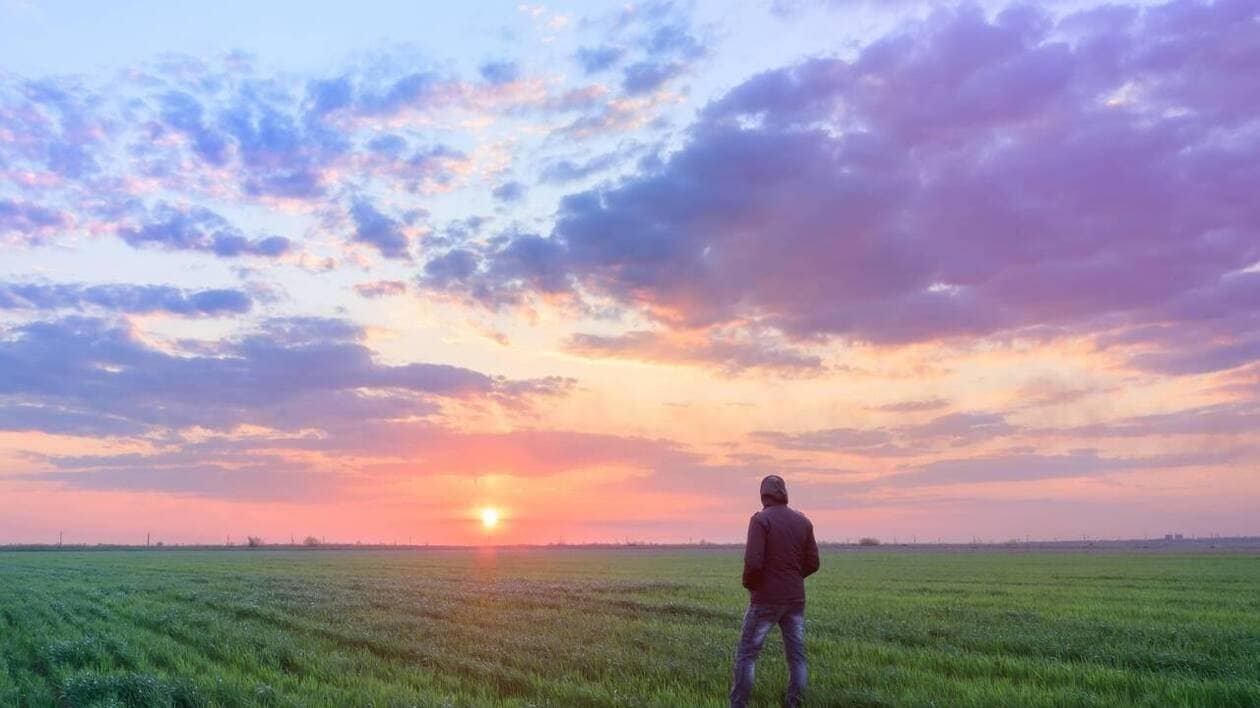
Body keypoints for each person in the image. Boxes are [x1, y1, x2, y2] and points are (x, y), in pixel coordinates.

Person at [730, 474, 820, 708]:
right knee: (797, 657)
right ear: (784, 494)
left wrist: (751, 586)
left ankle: (738, 705)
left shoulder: (760, 520)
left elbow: (753, 563)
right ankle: (794, 704)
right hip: (795, 598)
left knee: (747, 655)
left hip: (766, 600)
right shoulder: (803, 521)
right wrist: (792, 577)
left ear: (763, 495)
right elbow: (813, 563)